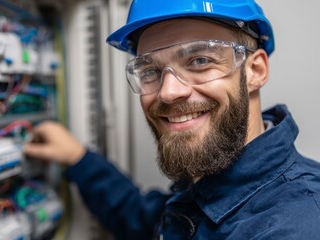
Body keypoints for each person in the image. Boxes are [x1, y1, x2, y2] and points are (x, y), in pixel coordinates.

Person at [24, 0, 320, 239]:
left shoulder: (294, 226)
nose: (168, 92)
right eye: (150, 71)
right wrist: (79, 159)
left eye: (200, 60)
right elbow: (146, 221)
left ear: (255, 71)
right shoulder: (208, 185)